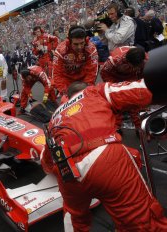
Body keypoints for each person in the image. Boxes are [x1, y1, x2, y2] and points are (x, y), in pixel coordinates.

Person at [41, 80, 167, 231]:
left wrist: (49, 168)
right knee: (141, 221)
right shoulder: (95, 92)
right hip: (104, 157)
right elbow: (140, 89)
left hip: (67, 170)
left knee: (74, 218)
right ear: (87, 88)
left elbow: (46, 158)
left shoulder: (55, 117)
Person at [101, 46, 148, 131]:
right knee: (116, 101)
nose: (135, 69)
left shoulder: (146, 60)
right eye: (132, 66)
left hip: (133, 76)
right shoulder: (114, 61)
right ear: (127, 61)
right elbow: (104, 73)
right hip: (114, 76)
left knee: (136, 99)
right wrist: (114, 87)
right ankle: (116, 127)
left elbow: (146, 76)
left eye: (137, 67)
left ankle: (140, 127)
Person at [53, 26, 98, 97]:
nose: (79, 47)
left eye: (82, 43)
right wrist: (64, 91)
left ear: (85, 39)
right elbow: (57, 73)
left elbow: (92, 72)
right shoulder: (60, 50)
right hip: (67, 80)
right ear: (69, 41)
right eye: (76, 44)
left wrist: (86, 88)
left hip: (83, 79)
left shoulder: (91, 48)